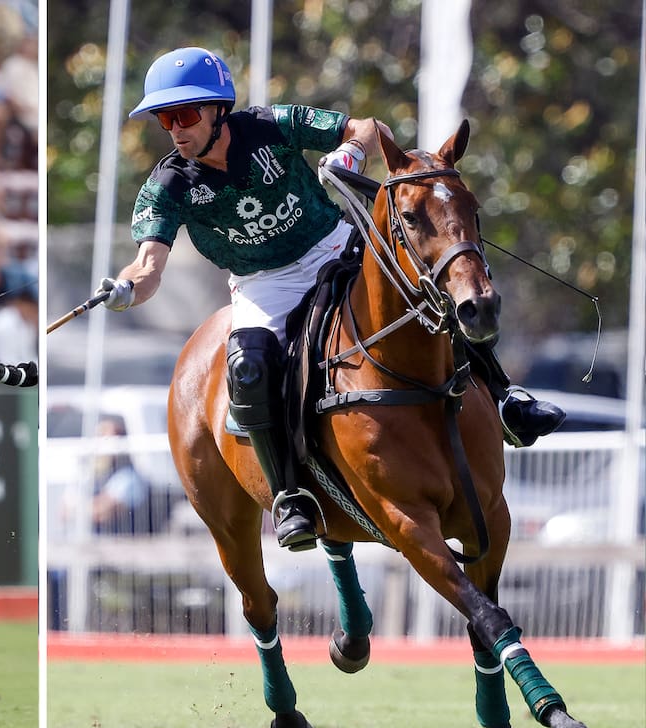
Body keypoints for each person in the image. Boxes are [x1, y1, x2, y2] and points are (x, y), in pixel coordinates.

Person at [100, 46, 565, 552]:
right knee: (249, 368)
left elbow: (368, 128)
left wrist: (350, 153)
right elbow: (148, 265)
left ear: (218, 109)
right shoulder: (167, 185)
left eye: (185, 114)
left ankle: (505, 399)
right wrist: (126, 288)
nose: (175, 129)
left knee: (435, 293)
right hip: (264, 284)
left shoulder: (272, 125)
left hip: (336, 246)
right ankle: (289, 496)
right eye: (165, 118)